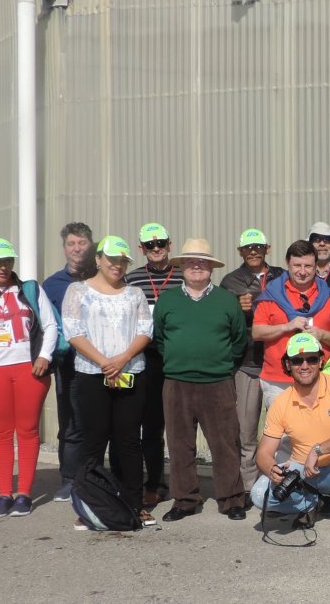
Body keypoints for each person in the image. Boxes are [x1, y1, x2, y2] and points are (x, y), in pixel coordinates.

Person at [60, 236, 155, 527]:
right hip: (92, 374)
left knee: (128, 442)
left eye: (123, 261)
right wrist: (104, 362)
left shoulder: (135, 293)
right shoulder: (78, 291)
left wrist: (123, 358)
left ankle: (133, 504)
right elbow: (73, 332)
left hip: (130, 372)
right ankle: (90, 504)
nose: (117, 265)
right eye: (112, 259)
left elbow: (145, 329)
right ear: (99, 259)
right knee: (94, 441)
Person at [153, 238, 250, 522]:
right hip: (176, 383)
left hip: (218, 382)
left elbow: (239, 340)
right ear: (182, 266)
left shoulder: (226, 300)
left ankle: (231, 498)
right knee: (180, 444)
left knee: (225, 444)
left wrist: (218, 365)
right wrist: (180, 361)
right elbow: (160, 339)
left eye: (202, 262)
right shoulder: (168, 300)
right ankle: (184, 500)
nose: (197, 266)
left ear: (211, 267)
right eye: (191, 261)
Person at [0, 238, 58, 518]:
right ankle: (3, 493)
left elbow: (50, 325)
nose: (3, 267)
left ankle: (24, 494)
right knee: (0, 432)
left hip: (29, 369)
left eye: (8, 261)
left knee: (28, 430)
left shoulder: (30, 289)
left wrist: (44, 355)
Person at [250, 333, 330, 539]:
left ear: (321, 361)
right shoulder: (281, 403)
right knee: (258, 495)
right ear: (287, 365)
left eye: (311, 359)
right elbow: (264, 453)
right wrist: (271, 469)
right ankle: (311, 501)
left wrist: (318, 449)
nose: (304, 365)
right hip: (303, 473)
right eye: (297, 360)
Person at [219, 228, 285, 499]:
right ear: (240, 252)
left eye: (258, 246)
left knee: (284, 432)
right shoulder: (230, 282)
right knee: (246, 431)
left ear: (267, 248)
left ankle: (283, 484)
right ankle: (246, 487)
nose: (254, 251)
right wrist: (237, 307)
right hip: (247, 363)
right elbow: (222, 320)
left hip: (281, 363)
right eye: (248, 248)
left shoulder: (282, 275)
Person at [122, 222, 184, 507]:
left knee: (180, 424)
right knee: (150, 425)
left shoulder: (184, 276)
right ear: (141, 249)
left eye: (161, 243)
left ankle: (184, 483)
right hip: (143, 358)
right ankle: (155, 481)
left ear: (170, 244)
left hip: (176, 357)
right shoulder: (132, 279)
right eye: (150, 245)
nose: (156, 248)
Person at [41, 221, 94, 502]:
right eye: (71, 244)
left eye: (82, 243)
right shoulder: (52, 285)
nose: (76, 249)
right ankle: (70, 478)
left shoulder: (102, 278)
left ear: (90, 245)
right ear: (64, 248)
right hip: (70, 366)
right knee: (72, 423)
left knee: (100, 421)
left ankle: (96, 476)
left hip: (101, 364)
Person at [253, 240, 330, 407]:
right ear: (288, 264)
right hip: (278, 381)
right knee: (281, 433)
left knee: (320, 432)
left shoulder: (329, 296)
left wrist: (322, 334)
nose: (302, 272)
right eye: (297, 265)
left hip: (319, 379)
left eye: (308, 266)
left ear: (316, 266)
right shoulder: (271, 294)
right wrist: (286, 326)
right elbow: (256, 332)